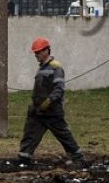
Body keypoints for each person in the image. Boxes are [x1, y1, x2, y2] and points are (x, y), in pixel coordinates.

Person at [18, 37, 86, 168]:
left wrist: (48, 102)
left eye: (38, 52)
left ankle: (78, 158)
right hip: (38, 111)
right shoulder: (42, 68)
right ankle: (24, 157)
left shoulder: (56, 68)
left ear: (46, 51)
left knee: (64, 135)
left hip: (52, 111)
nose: (36, 55)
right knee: (30, 133)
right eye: (35, 53)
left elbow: (59, 89)